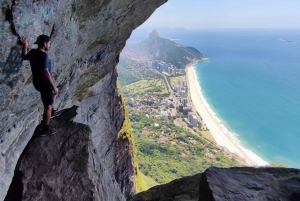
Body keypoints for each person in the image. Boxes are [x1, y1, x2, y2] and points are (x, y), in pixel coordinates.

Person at [21, 35, 61, 136]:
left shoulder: (33, 52)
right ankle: (45, 129)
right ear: (45, 44)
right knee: (48, 106)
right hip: (45, 83)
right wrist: (53, 86)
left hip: (37, 82)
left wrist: (25, 45)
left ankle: (51, 112)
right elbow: (45, 71)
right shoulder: (44, 56)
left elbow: (24, 56)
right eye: (49, 43)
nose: (49, 45)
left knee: (55, 92)